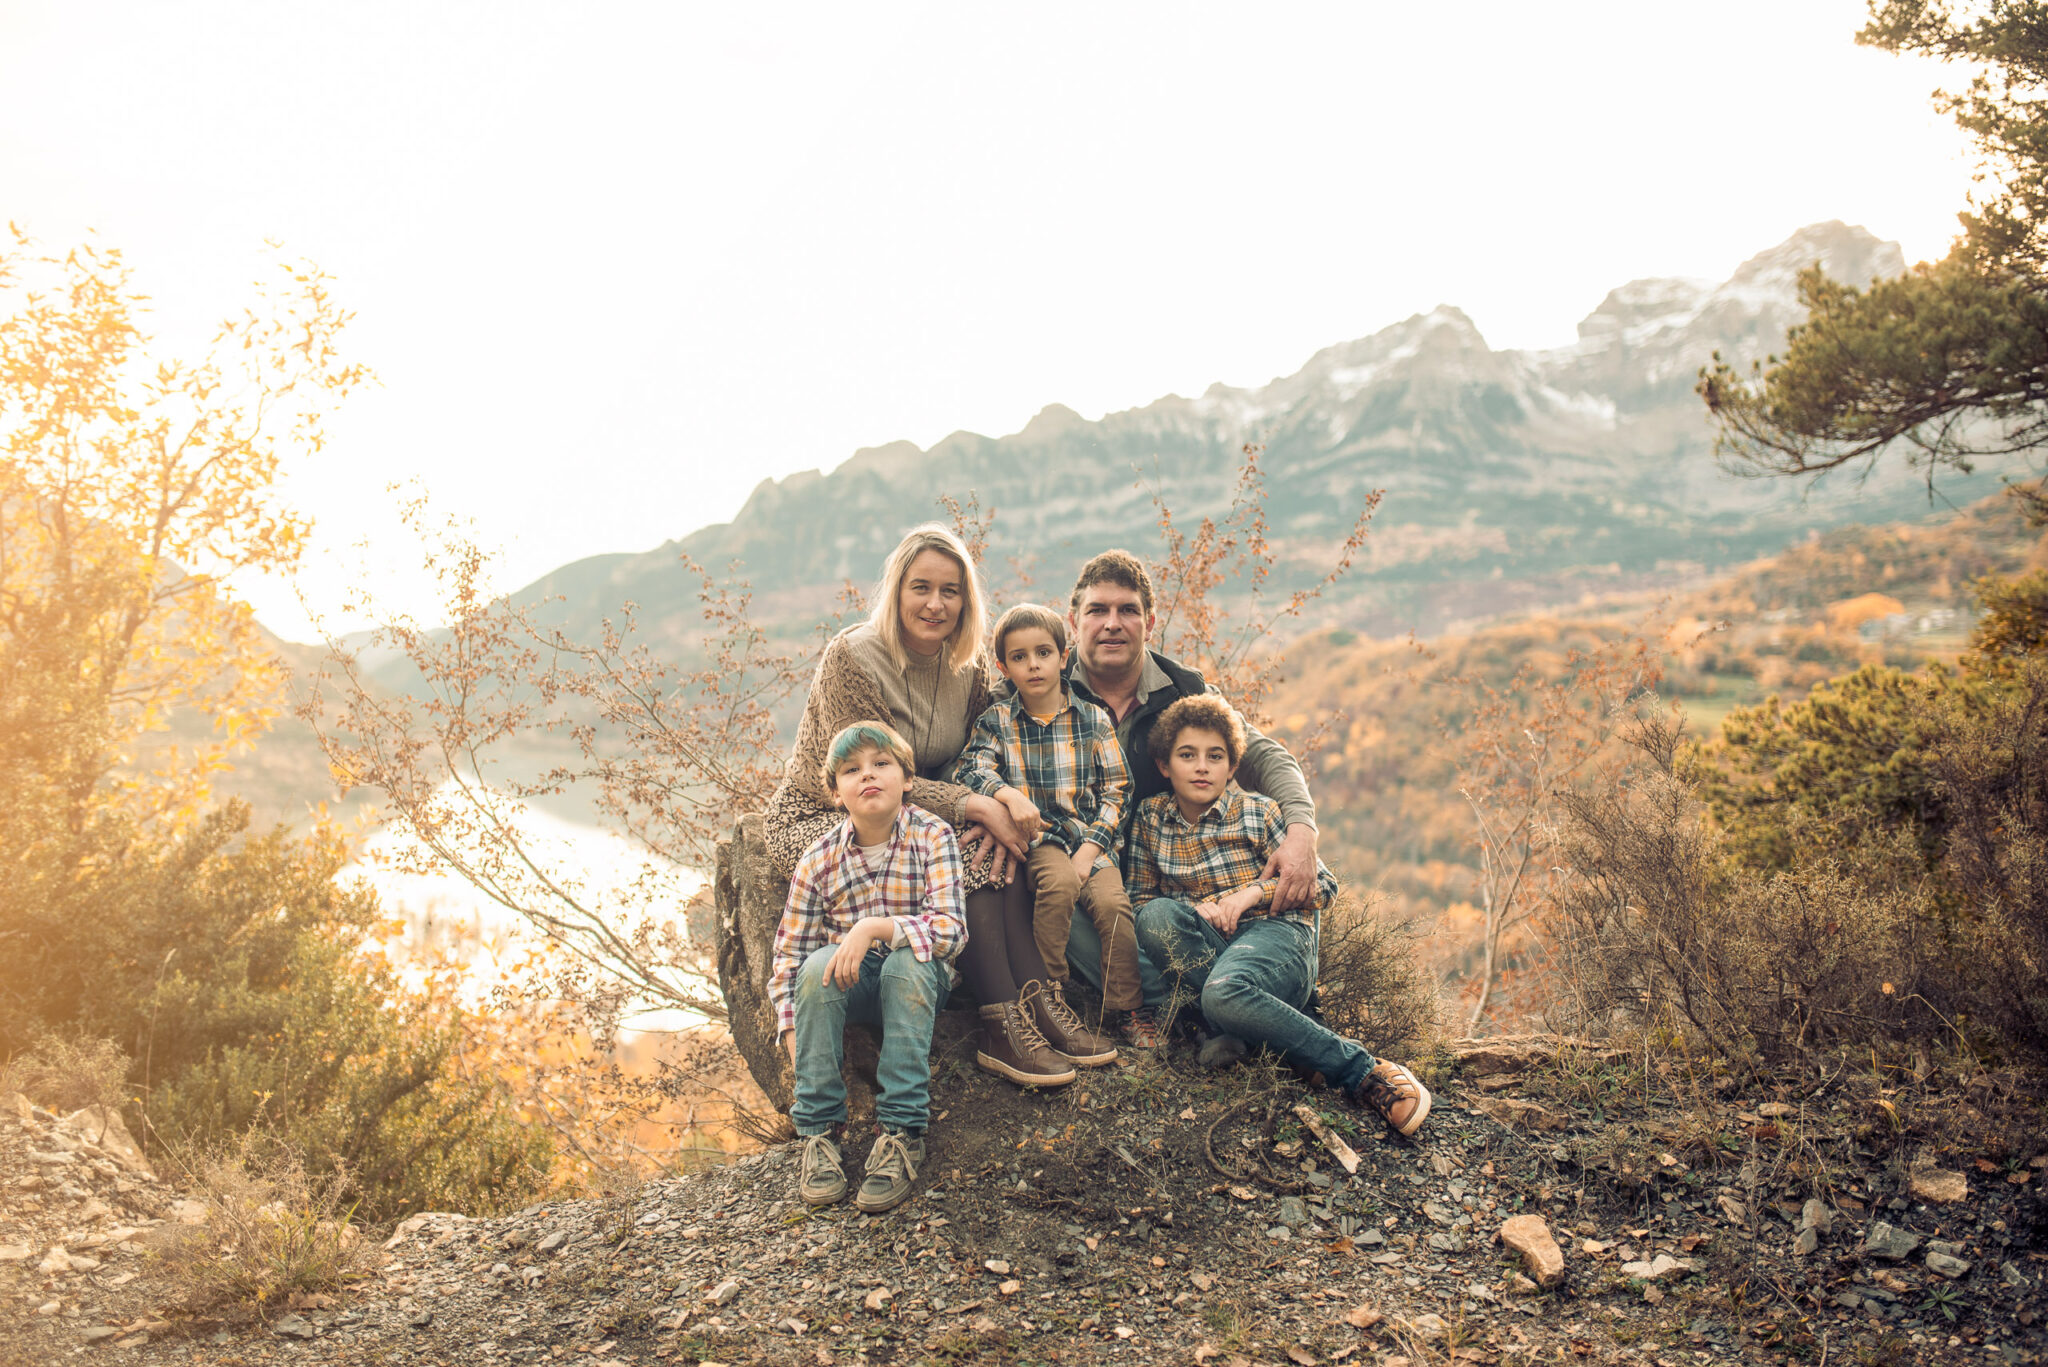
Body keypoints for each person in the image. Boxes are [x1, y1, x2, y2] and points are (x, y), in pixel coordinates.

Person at [762, 525, 1074, 1087]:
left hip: (916, 809)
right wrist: (972, 805)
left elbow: (972, 753)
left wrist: (988, 802)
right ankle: (1001, 1026)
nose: (935, 604)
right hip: (832, 809)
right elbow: (870, 771)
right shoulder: (852, 658)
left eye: (950, 590)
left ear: (965, 600)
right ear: (897, 591)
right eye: (921, 587)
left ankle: (1037, 1004)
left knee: (991, 851)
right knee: (966, 847)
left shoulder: (971, 666)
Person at [1128, 696, 1432, 1137]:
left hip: (1276, 937)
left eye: (1215, 757)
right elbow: (1139, 898)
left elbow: (1324, 887)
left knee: (1224, 992)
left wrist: (1249, 895)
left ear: (1232, 767)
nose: (1201, 767)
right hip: (1213, 947)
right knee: (1155, 917)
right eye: (1187, 755)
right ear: (1163, 765)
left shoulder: (1259, 811)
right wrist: (1196, 909)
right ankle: (1266, 1037)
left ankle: (1365, 1073)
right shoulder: (1150, 819)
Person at [1058, 550, 1323, 1030]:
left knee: (1164, 922)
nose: (1112, 624)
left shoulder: (1184, 689)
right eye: (1097, 610)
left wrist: (1302, 831)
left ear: (1150, 622)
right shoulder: (1040, 687)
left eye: (1128, 611)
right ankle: (1229, 1007)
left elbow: (1265, 756)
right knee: (1044, 894)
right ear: (1073, 620)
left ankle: (1206, 1005)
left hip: (1167, 879)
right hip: (1081, 863)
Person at [769, 722, 964, 1213]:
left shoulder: (932, 835)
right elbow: (792, 956)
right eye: (852, 771)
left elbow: (951, 930)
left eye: (882, 764)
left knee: (907, 961)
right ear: (836, 793)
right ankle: (819, 1134)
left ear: (907, 779)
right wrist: (795, 1030)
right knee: (817, 966)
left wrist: (874, 928)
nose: (868, 776)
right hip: (851, 988)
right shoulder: (818, 857)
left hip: (919, 981)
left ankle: (901, 1131)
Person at [954, 603, 1145, 1064]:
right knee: (1057, 887)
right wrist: (1007, 795)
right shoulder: (997, 721)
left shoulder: (1093, 720)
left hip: (1090, 840)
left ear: (1064, 656)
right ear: (1004, 667)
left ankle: (1127, 1009)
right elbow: (970, 770)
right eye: (1018, 657)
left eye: (1043, 652)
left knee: (1115, 908)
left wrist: (1094, 847)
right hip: (1040, 840)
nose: (1033, 664)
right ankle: (1046, 996)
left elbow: (1118, 789)